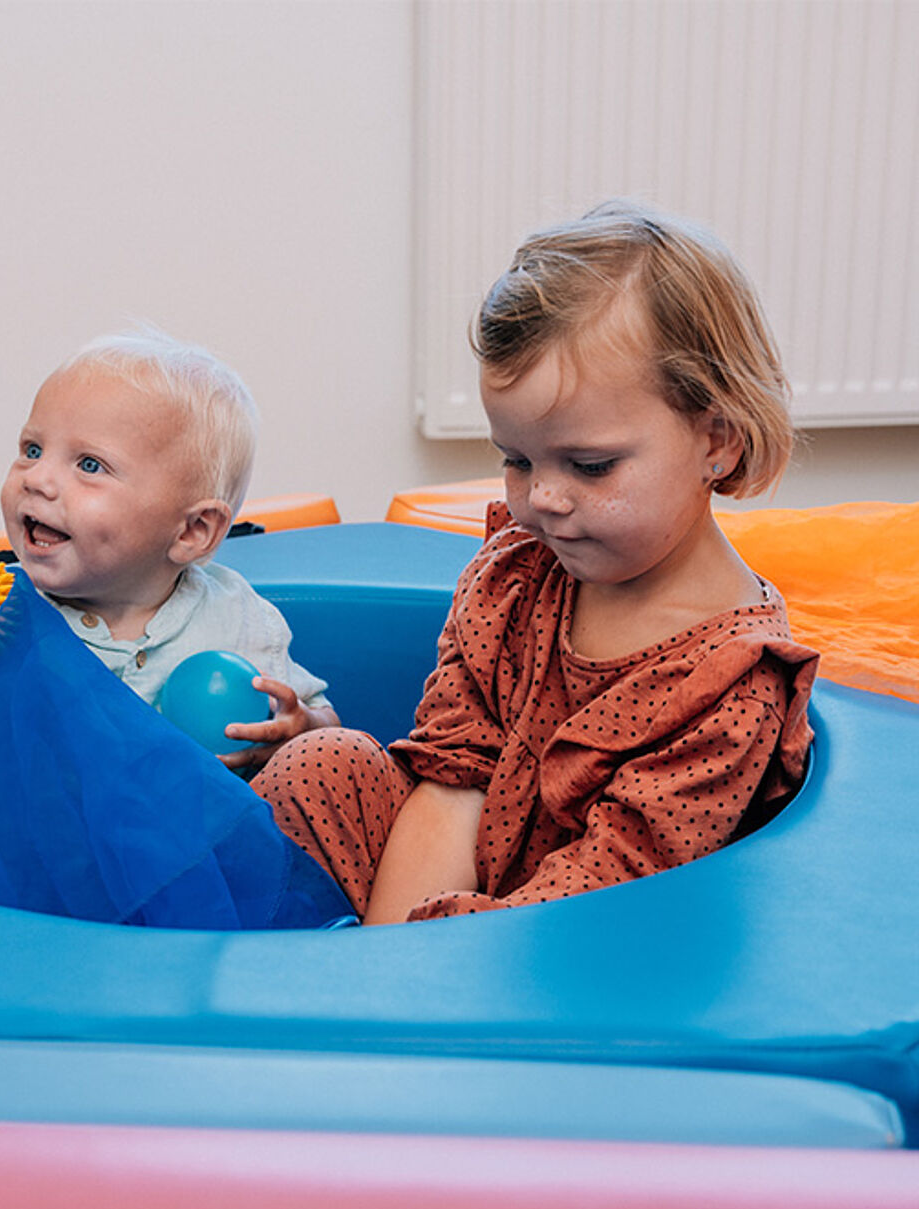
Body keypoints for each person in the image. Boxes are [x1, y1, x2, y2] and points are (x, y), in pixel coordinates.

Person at [253, 200, 819, 924]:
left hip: (570, 950)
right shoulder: (517, 578)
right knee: (321, 763)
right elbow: (456, 780)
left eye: (589, 465)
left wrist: (414, 970)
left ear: (718, 441)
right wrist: (385, 952)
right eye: (517, 460)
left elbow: (601, 897)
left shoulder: (729, 687)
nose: (542, 499)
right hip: (443, 914)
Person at [0, 329, 338, 795]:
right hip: (33, 863)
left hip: (193, 856)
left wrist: (297, 730)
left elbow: (325, 734)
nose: (37, 478)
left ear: (192, 531)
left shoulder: (237, 618)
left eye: (89, 465)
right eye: (32, 450)